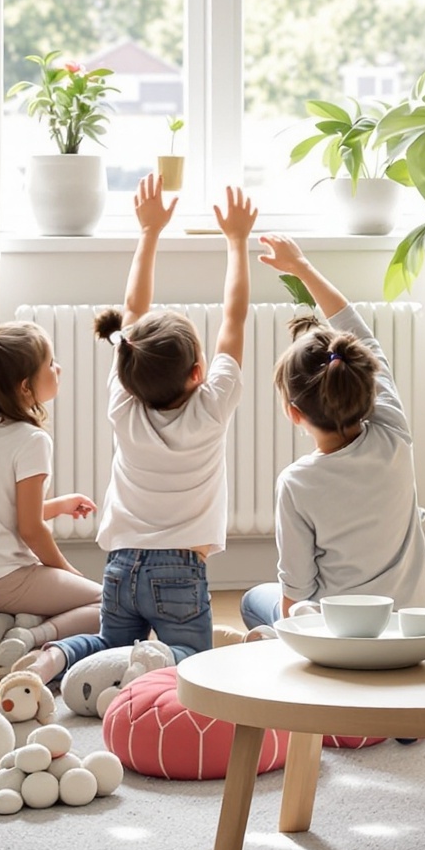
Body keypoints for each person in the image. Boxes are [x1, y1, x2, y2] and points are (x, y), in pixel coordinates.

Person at [88, 173, 256, 662]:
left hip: (119, 567)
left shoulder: (123, 402)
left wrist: (149, 232)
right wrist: (237, 242)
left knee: (108, 655)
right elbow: (235, 318)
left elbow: (132, 311)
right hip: (180, 573)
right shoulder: (211, 407)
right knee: (197, 667)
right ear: (198, 373)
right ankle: (159, 665)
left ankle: (63, 658)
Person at [240, 235, 425, 631]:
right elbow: (362, 334)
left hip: (340, 632)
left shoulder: (296, 483)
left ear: (294, 413)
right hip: (411, 621)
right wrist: (302, 266)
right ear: (366, 384)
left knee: (253, 601)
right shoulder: (393, 432)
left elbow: (296, 594)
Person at [0, 316, 101, 635]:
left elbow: (2, 512)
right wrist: (68, 573)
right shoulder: (32, 440)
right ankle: (29, 638)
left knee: (51, 591)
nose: (59, 369)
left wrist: (61, 505)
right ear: (25, 386)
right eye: (51, 363)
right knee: (108, 606)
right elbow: (30, 529)